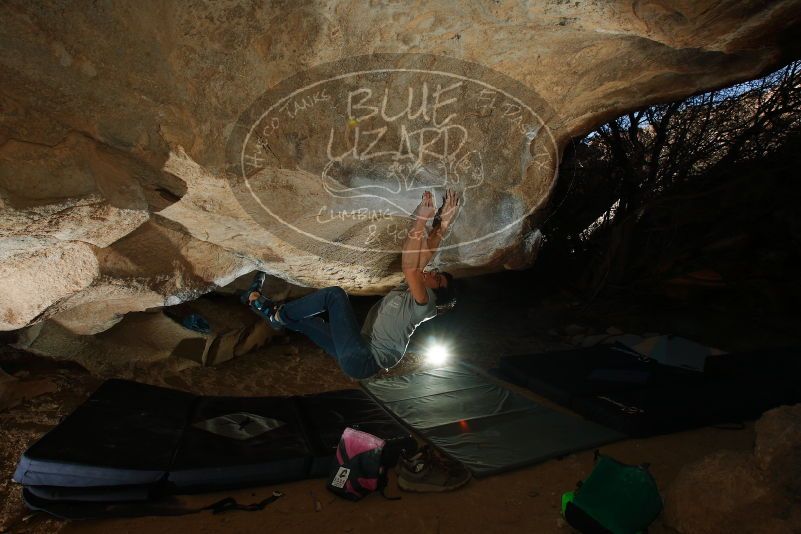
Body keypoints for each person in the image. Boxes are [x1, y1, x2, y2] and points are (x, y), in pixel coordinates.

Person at [242, 189, 460, 379]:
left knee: (335, 296)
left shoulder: (425, 303)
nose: (432, 272)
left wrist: (421, 220)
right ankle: (257, 302)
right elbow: (422, 259)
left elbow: (411, 267)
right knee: (309, 323)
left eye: (437, 278)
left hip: (363, 358)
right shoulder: (414, 292)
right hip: (360, 352)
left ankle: (275, 315)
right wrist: (444, 225)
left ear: (436, 292)